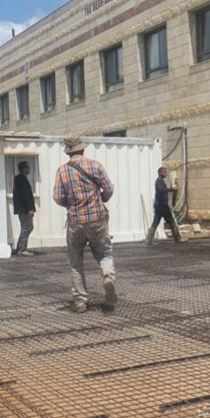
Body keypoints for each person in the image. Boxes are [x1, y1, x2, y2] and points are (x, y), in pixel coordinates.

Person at [53, 134, 117, 312]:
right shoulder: (95, 165)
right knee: (104, 254)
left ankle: (80, 301)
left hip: (75, 221)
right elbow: (109, 188)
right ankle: (108, 278)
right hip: (97, 218)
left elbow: (57, 197)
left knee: (76, 263)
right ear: (82, 148)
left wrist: (71, 205)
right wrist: (101, 199)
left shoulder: (62, 171)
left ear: (68, 152)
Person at [144, 166, 182, 246]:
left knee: (155, 223)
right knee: (171, 222)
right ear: (160, 173)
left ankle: (148, 241)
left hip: (160, 206)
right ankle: (178, 239)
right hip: (162, 206)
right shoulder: (159, 181)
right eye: (164, 172)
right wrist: (171, 189)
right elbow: (161, 190)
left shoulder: (161, 181)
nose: (166, 173)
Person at [12, 161, 36, 256]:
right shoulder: (21, 179)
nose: (29, 169)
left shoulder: (20, 179)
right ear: (24, 169)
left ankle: (20, 247)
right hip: (24, 209)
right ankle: (22, 249)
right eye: (28, 168)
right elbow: (26, 195)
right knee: (27, 227)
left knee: (27, 227)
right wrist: (30, 209)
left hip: (22, 209)